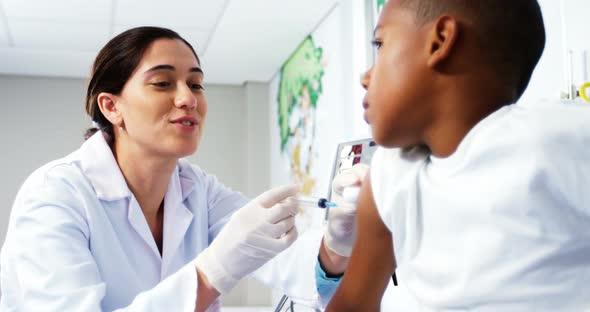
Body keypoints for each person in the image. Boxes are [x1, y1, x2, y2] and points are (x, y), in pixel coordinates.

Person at [0, 26, 356, 311]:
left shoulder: (197, 189)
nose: (188, 98)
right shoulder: (55, 194)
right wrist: (212, 272)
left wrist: (337, 245)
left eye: (196, 84)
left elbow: (290, 263)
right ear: (111, 106)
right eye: (162, 83)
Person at [327, 0, 590, 311]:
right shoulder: (390, 176)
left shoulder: (558, 139)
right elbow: (351, 305)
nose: (365, 77)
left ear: (440, 41)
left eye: (380, 45)